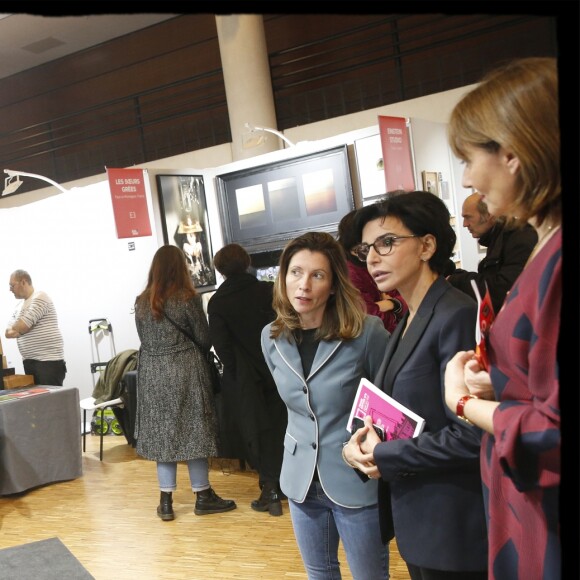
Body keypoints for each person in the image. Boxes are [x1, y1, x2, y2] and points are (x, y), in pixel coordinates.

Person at [443, 57, 561, 579]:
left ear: (512, 152)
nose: (468, 176)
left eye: (470, 158)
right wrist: (498, 384)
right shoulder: (544, 246)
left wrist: (463, 402)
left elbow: (554, 430)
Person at [343, 191, 488, 580]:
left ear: (427, 245)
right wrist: (361, 446)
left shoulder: (455, 314)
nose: (373, 258)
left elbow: (473, 436)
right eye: (366, 248)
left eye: (386, 243)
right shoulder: (407, 317)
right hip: (419, 519)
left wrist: (386, 455)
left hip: (453, 525)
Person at [261, 231, 391, 579]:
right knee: (319, 575)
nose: (303, 285)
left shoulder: (367, 332)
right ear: (283, 276)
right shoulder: (271, 337)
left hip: (355, 476)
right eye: (295, 272)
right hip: (300, 478)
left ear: (333, 285)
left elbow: (392, 403)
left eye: (317, 275)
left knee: (370, 576)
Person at [134, 244, 236, 521]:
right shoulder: (187, 298)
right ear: (180, 267)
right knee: (195, 431)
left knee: (161, 434)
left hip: (153, 373)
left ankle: (165, 501)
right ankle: (203, 495)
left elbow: (144, 339)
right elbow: (204, 337)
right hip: (187, 371)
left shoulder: (141, 301)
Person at [207, 243, 287, 517]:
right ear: (247, 261)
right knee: (281, 426)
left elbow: (221, 345)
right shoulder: (266, 291)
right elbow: (282, 327)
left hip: (243, 377)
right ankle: (280, 485)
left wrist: (236, 368)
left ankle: (270, 488)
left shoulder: (218, 302)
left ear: (220, 269)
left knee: (255, 431)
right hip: (276, 369)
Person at [447, 191, 537, 314]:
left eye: (468, 217)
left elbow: (502, 290)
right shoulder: (499, 239)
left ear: (489, 214)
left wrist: (456, 280)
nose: (464, 224)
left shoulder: (519, 238)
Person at [337, 208, 407, 333]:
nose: (372, 257)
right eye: (363, 250)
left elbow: (406, 295)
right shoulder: (350, 274)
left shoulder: (374, 262)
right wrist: (398, 309)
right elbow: (372, 319)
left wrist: (392, 303)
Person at [5, 269, 67, 386]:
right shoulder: (18, 307)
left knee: (49, 402)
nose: (10, 289)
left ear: (23, 282)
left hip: (47, 362)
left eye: (12, 285)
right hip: (29, 362)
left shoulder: (40, 297)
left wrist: (21, 327)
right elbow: (8, 333)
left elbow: (23, 326)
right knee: (38, 402)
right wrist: (21, 326)